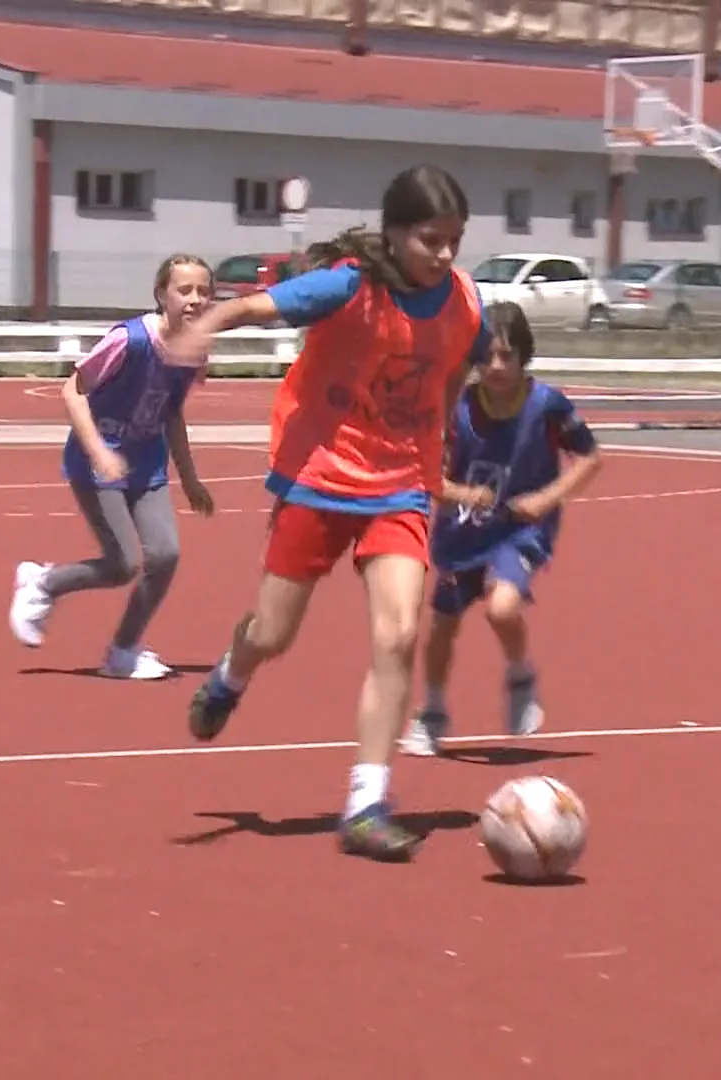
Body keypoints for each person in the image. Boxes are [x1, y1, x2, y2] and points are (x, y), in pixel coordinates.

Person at [163, 165, 489, 862]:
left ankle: (366, 804)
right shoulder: (348, 286)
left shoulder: (464, 301)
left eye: (455, 239)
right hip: (320, 478)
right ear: (397, 233)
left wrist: (443, 444)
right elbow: (256, 306)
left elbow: (459, 367)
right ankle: (230, 674)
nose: (445, 254)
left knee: (398, 633)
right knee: (273, 632)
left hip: (399, 484)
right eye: (431, 239)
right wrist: (204, 330)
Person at [399, 301, 602, 758]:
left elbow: (591, 459)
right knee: (442, 628)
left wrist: (547, 499)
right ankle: (431, 712)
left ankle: (520, 675)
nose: (495, 366)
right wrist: (459, 495)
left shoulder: (547, 404)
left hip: (520, 528)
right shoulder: (457, 409)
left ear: (523, 356)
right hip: (462, 531)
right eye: (486, 356)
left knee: (502, 608)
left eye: (506, 356)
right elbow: (425, 474)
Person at [8, 254, 217, 678]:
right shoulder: (130, 340)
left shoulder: (195, 352)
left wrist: (190, 477)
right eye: (184, 290)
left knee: (166, 554)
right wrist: (100, 451)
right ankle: (43, 583)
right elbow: (73, 391)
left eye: (204, 291)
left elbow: (172, 413)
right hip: (95, 461)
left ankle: (122, 652)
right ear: (161, 295)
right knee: (122, 564)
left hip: (146, 464)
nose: (195, 299)